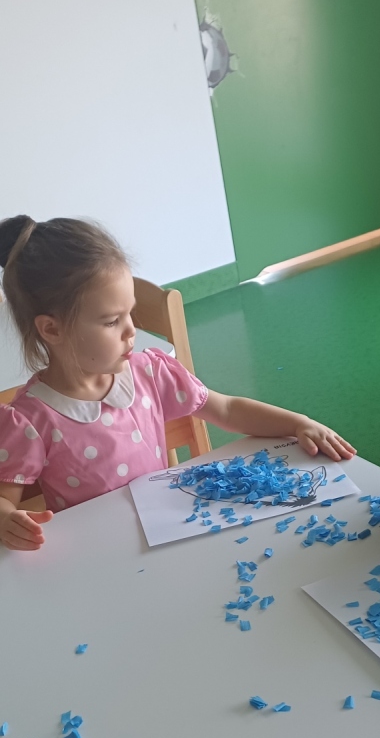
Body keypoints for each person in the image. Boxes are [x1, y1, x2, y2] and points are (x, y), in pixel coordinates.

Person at [0, 215, 355, 551]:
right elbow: (4, 499)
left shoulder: (150, 373)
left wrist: (298, 423)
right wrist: (6, 520)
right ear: (52, 329)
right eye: (111, 321)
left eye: (130, 313)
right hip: (100, 555)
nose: (131, 330)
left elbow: (227, 409)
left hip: (168, 537)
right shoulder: (29, 420)